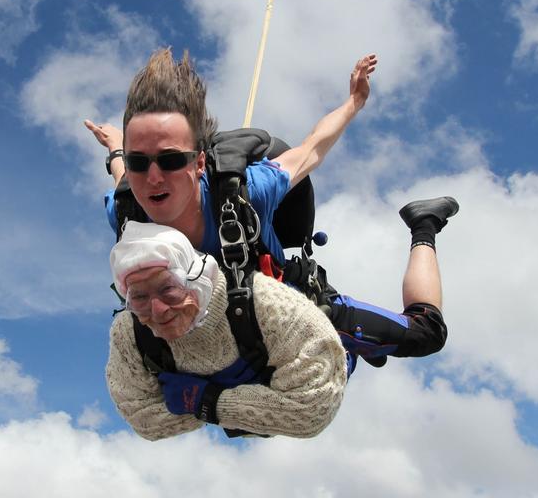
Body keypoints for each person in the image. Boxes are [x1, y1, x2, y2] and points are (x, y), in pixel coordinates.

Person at [86, 49, 457, 365]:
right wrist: (116, 148)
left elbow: (312, 149)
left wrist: (354, 101)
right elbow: (121, 172)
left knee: (426, 336)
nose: (152, 178)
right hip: (208, 333)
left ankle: (423, 225)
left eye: (169, 161)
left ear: (198, 164)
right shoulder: (127, 211)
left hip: (289, 309)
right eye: (139, 162)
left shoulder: (247, 193)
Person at [106, 220, 348, 439]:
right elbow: (144, 421)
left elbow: (313, 410)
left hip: (323, 348)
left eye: (168, 289)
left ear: (197, 279)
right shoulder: (130, 332)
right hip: (271, 379)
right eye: (138, 297)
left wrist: (207, 401)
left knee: (365, 335)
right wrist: (259, 403)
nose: (157, 310)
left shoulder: (269, 304)